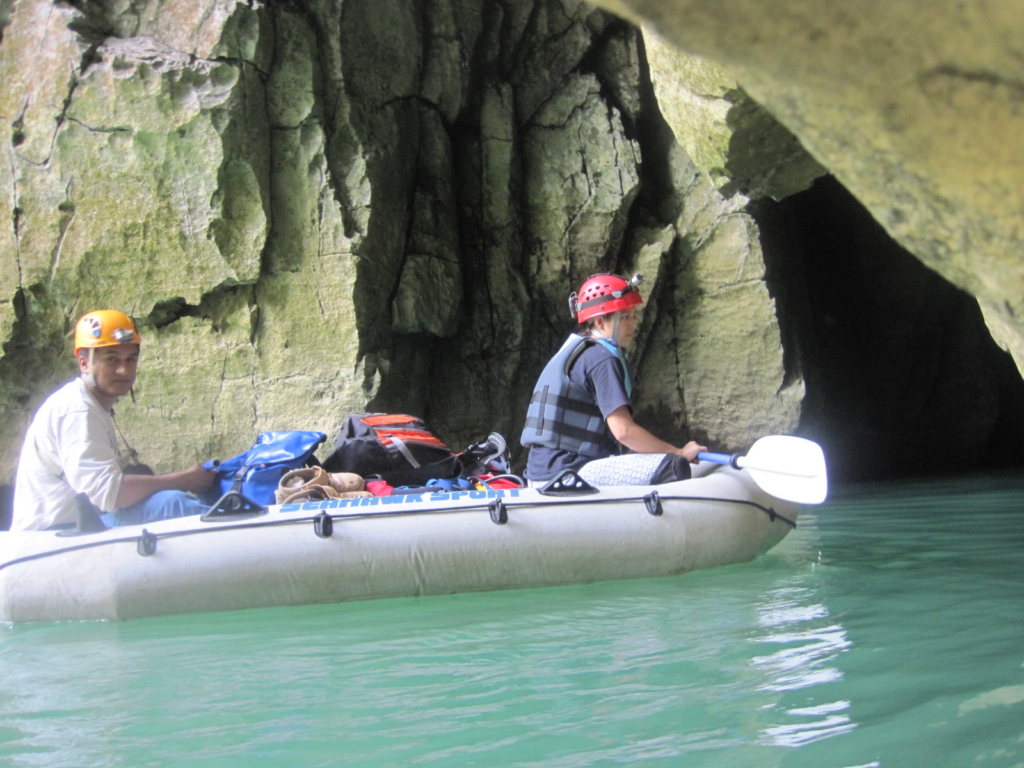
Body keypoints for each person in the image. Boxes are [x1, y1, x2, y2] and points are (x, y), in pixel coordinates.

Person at [10, 310, 216, 531]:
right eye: (111, 359)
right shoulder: (76, 410)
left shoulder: (92, 405)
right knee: (173, 505)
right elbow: (109, 494)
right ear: (84, 363)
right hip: (54, 539)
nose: (124, 369)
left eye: (131, 359)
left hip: (77, 528)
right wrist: (184, 479)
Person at [521, 273, 707, 486]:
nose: (633, 324)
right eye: (625, 317)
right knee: (673, 466)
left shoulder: (576, 351)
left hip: (540, 473)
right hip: (570, 471)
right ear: (600, 322)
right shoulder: (601, 360)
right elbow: (623, 431)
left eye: (634, 316)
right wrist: (679, 452)